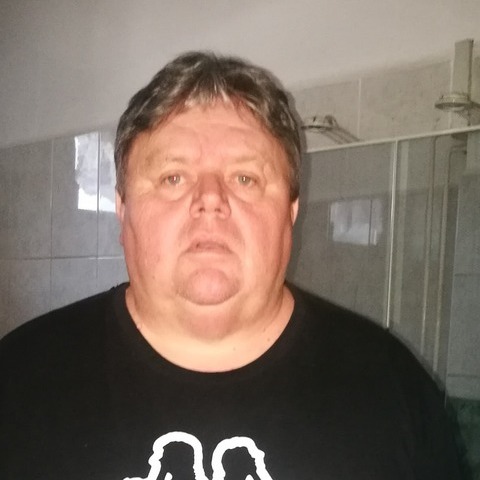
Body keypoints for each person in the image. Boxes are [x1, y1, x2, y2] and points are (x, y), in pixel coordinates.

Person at [0, 51, 463, 480]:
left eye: (245, 178)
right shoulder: (20, 380)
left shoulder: (392, 390)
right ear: (123, 211)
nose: (210, 199)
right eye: (173, 177)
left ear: (291, 213)